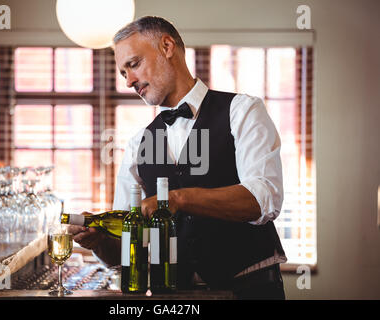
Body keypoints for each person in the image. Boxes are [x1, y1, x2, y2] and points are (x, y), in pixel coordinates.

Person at [69, 16, 287, 299]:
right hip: (175, 297)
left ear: (167, 46)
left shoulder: (242, 111)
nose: (129, 81)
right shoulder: (137, 145)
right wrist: (99, 242)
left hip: (251, 291)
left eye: (133, 64)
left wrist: (178, 199)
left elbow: (263, 198)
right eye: (123, 73)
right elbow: (124, 253)